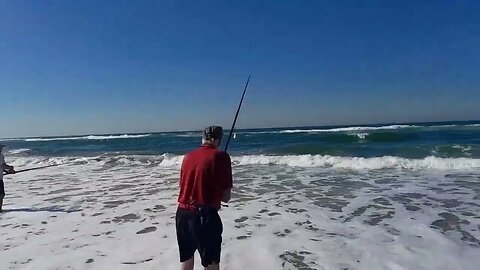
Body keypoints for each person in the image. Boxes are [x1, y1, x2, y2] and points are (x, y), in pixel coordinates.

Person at [176, 126, 233, 270]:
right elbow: (226, 197)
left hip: (182, 215)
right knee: (211, 264)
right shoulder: (221, 157)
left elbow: (183, 187)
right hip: (204, 217)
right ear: (219, 140)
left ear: (203, 139)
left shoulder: (187, 157)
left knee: (186, 261)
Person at [1, 144, 16, 212]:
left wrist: (6, 171)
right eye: (0, 147)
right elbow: (3, 165)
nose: (1, 148)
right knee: (1, 195)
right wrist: (11, 168)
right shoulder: (0, 155)